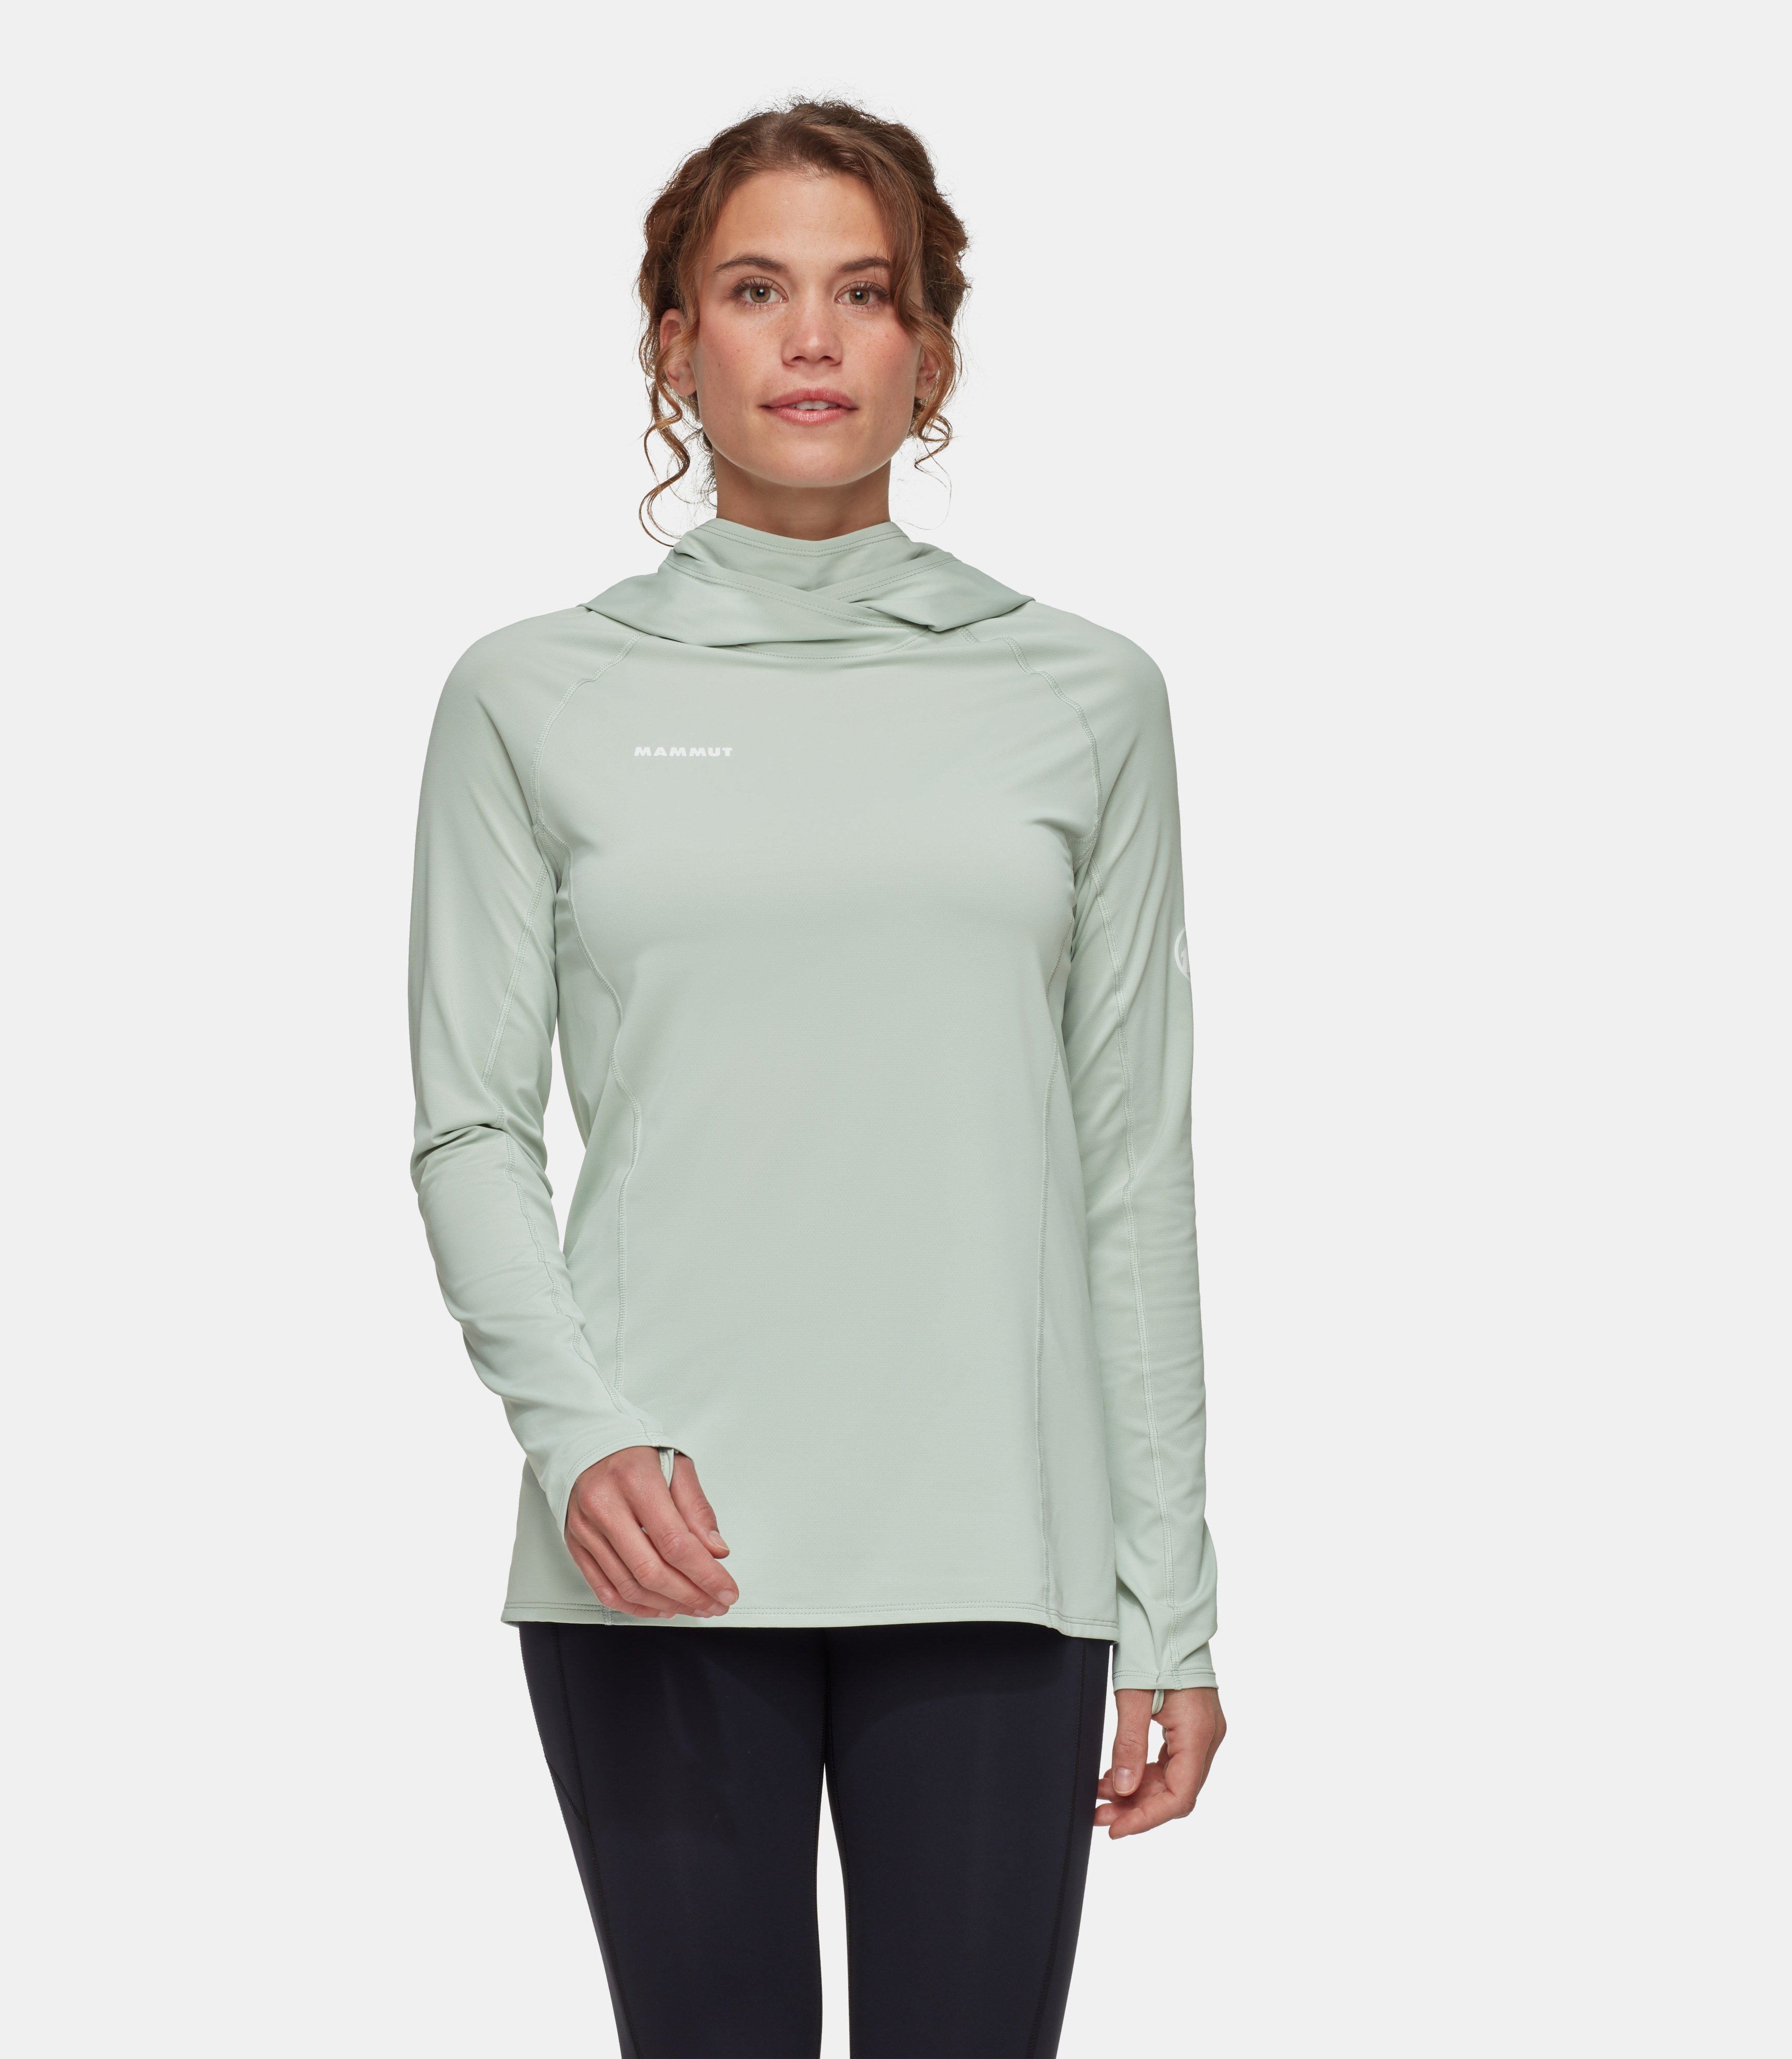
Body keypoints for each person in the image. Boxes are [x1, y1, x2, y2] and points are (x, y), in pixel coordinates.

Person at [408, 97, 1225, 2059]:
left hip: (1000, 1548)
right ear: (674, 341)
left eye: (866, 295)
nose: (811, 339)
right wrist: (581, 1441)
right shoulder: (531, 695)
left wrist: (1173, 1600)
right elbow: (471, 1123)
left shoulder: (1085, 696)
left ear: (929, 353)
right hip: (658, 1544)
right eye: (755, 289)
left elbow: (1133, 1164)